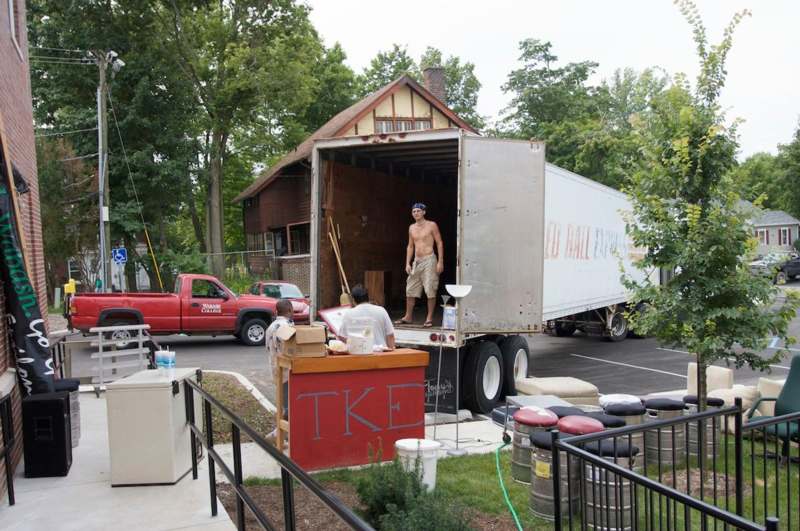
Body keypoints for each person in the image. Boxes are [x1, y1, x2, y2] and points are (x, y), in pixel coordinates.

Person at [395, 202, 443, 328]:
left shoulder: (431, 225)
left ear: (424, 212)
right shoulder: (411, 228)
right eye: (414, 211)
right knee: (410, 288)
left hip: (429, 259)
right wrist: (407, 263)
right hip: (417, 260)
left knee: (430, 288)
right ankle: (408, 316)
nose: (416, 213)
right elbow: (410, 246)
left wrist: (440, 262)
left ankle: (429, 318)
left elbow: (439, 243)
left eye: (418, 211)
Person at [264, 298, 293, 445]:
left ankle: (283, 436)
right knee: (291, 406)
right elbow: (291, 349)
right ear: (289, 310)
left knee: (283, 404)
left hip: (275, 370)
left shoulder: (270, 327)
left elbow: (268, 348)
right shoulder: (287, 327)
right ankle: (278, 434)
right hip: (287, 371)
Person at [340, 285, 395, 350]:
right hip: (381, 353)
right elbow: (390, 335)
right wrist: (391, 351)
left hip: (358, 353)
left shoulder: (348, 313)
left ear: (353, 300)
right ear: (368, 297)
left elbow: (342, 336)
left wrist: (354, 344)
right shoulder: (381, 310)